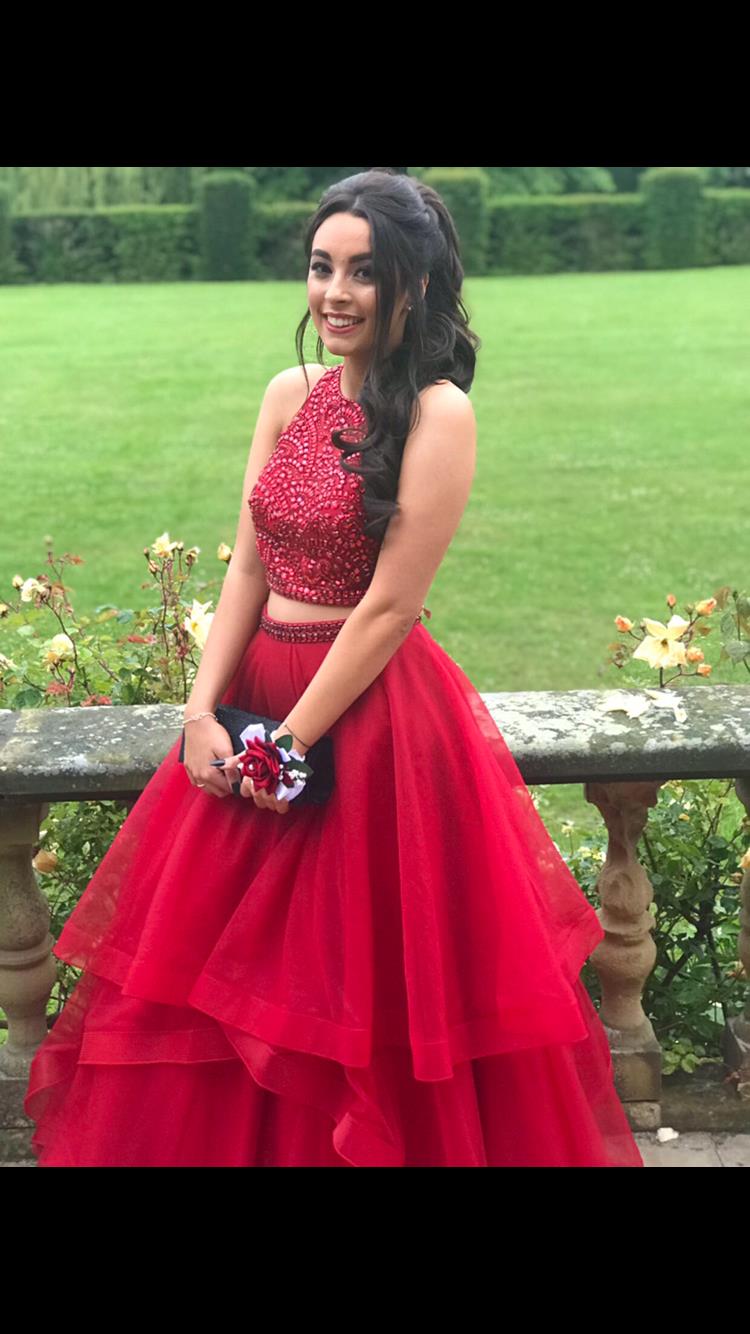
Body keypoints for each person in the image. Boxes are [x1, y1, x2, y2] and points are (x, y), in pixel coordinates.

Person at [23, 168, 645, 1168]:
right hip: (254, 703)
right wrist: (200, 713)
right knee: (219, 987)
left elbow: (392, 606)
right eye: (323, 267)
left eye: (365, 271)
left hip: (366, 726)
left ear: (415, 285)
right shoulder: (290, 392)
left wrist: (288, 745)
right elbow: (249, 564)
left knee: (358, 992)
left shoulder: (440, 412)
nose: (336, 293)